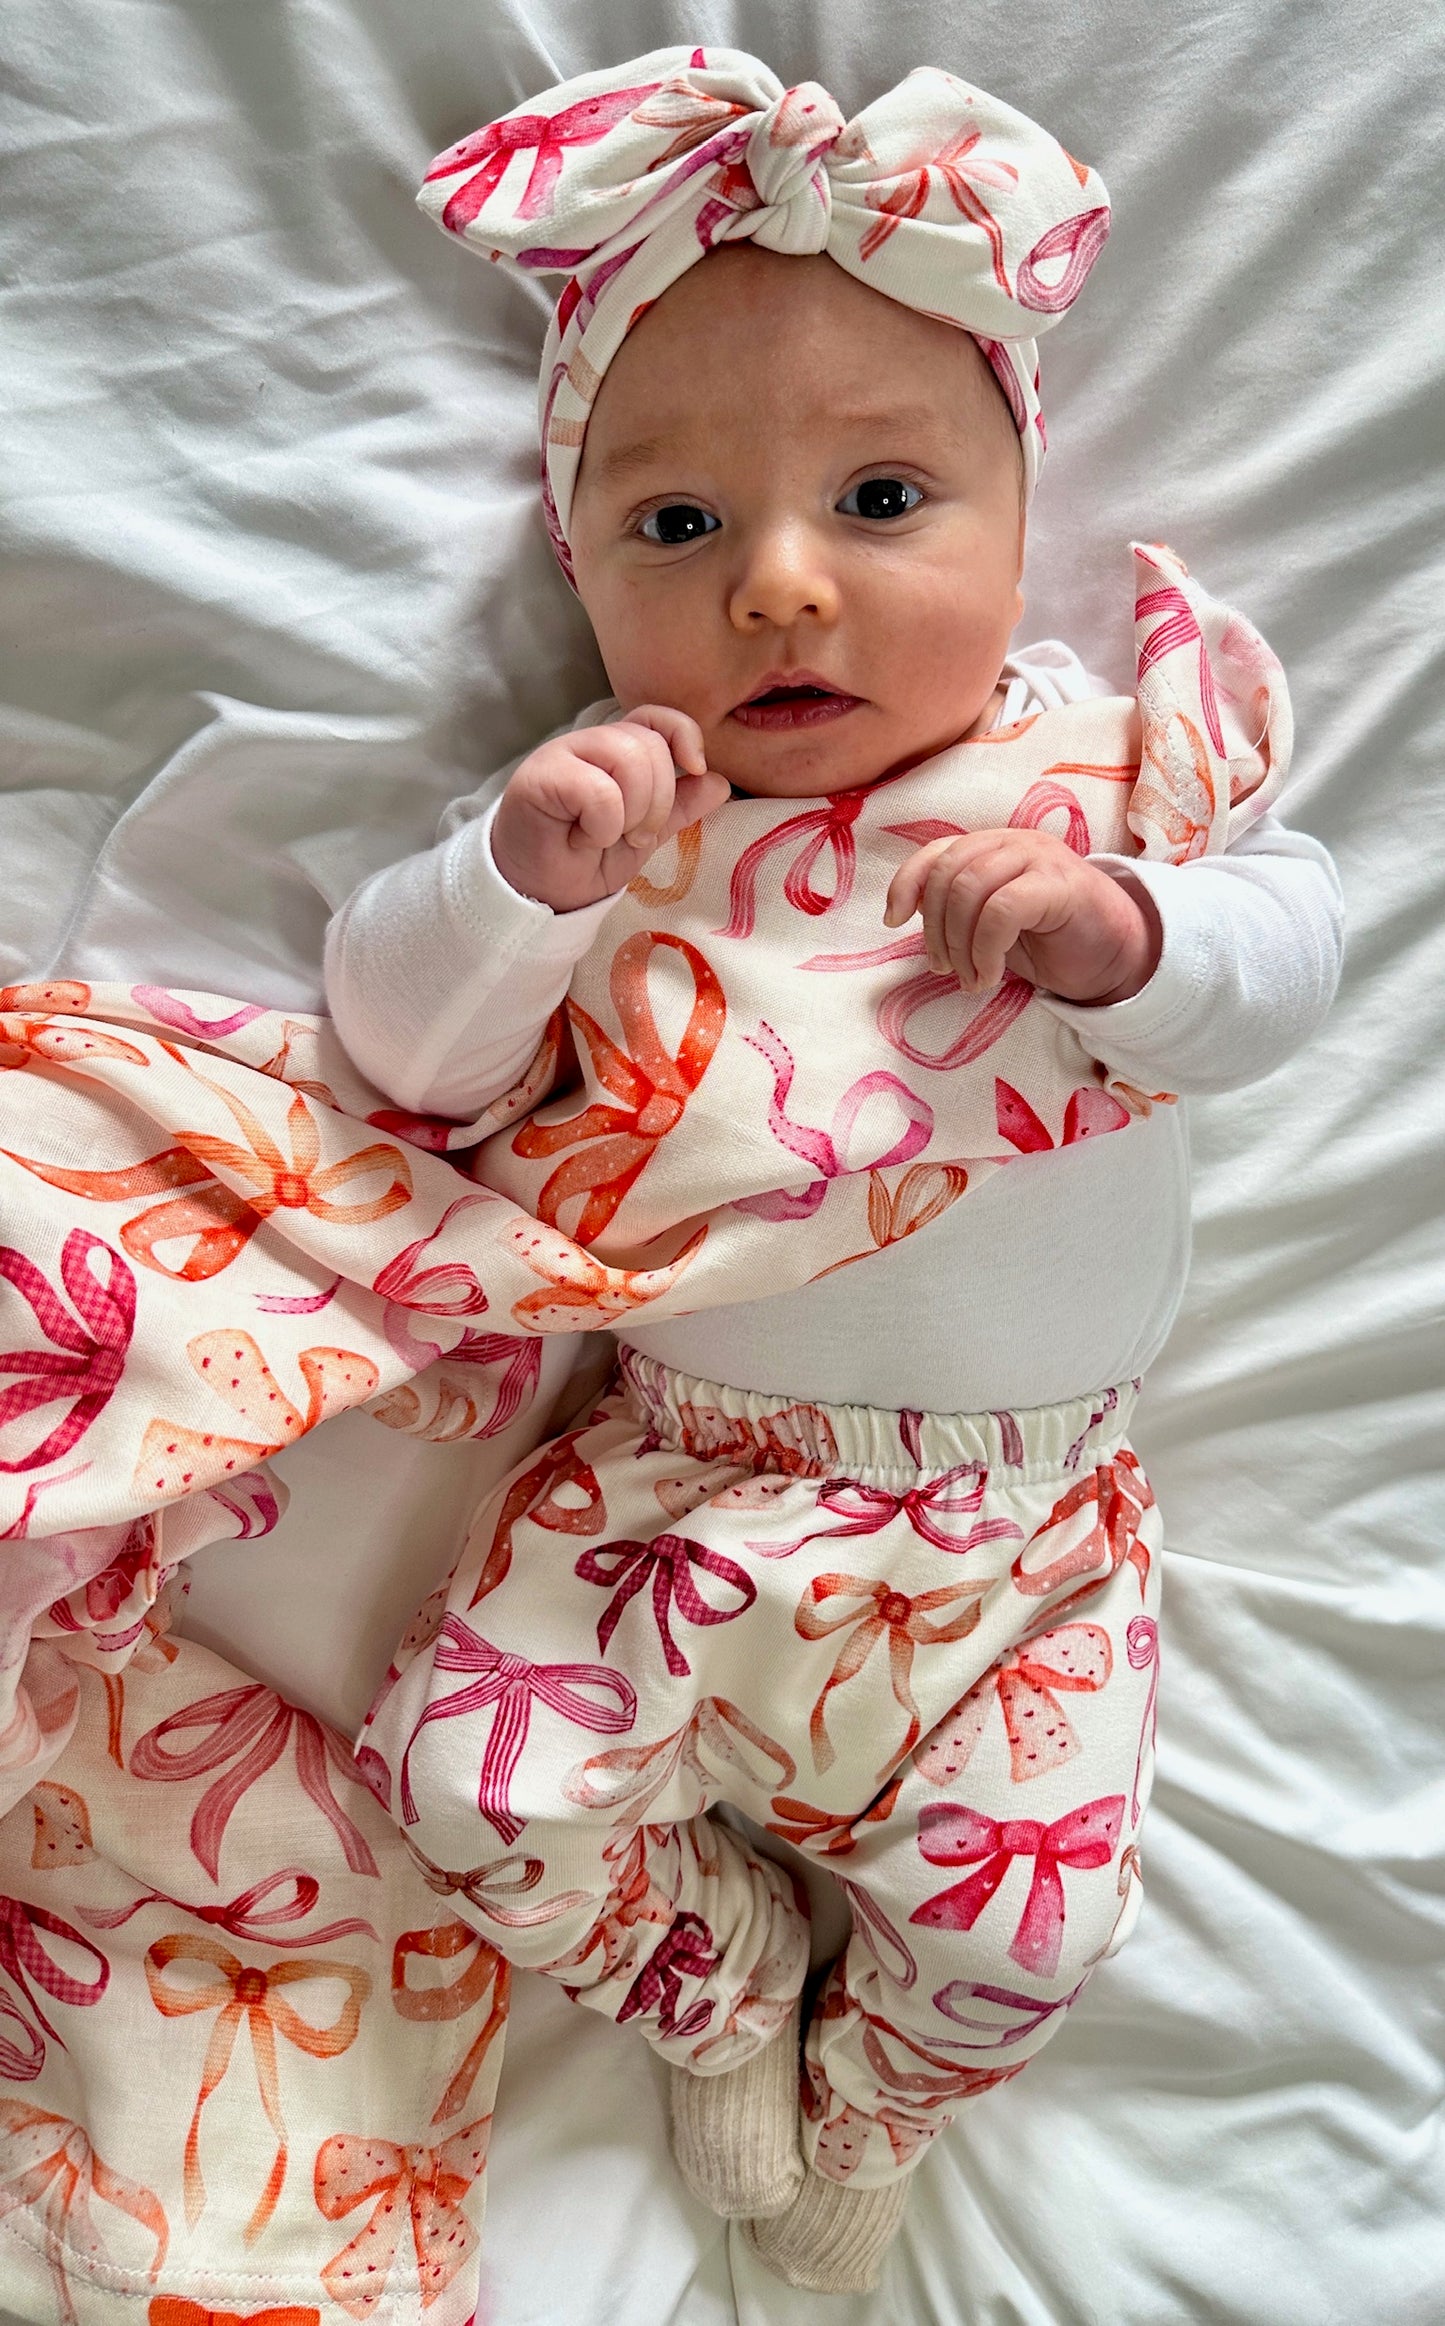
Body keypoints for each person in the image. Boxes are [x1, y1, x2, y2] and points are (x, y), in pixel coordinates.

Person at [325, 50, 1343, 2294]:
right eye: (677, 529)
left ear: (1016, 503)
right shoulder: (620, 823)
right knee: (461, 1785)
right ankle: (703, 1973)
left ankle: (876, 2074)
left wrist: (1144, 941)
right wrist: (515, 881)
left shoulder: (1090, 780)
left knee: (1037, 1909)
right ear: (581, 562)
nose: (781, 588)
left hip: (1022, 1544)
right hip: (670, 1493)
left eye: (881, 499)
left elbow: (1302, 960)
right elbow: (401, 1048)